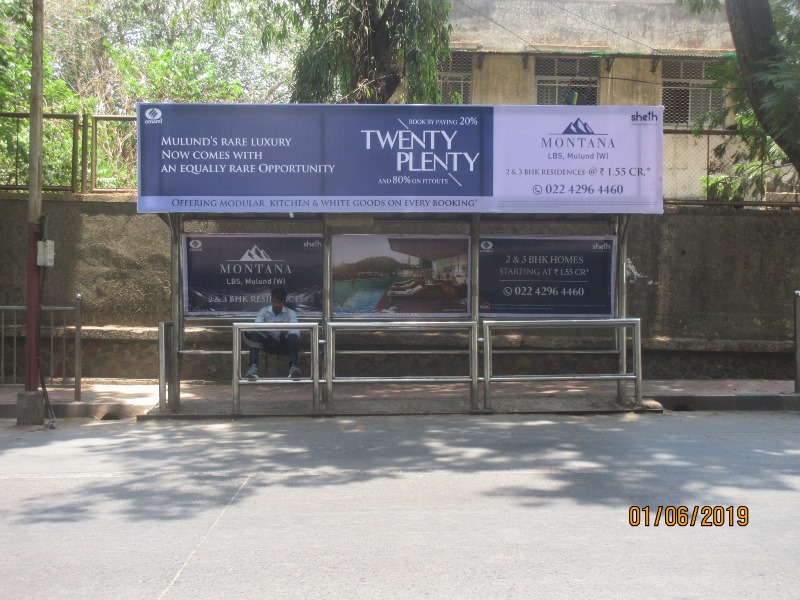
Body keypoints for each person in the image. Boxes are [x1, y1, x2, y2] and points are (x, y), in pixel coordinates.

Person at [242, 287, 301, 379]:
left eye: (279, 302)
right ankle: (253, 368)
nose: (276, 304)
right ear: (271, 300)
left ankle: (293, 367)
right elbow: (256, 325)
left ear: (284, 302)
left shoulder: (291, 313)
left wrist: (282, 332)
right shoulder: (264, 311)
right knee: (255, 334)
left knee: (293, 336)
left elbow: (295, 331)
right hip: (267, 343)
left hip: (283, 344)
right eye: (274, 301)